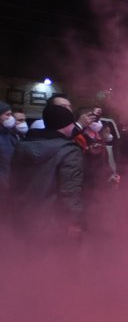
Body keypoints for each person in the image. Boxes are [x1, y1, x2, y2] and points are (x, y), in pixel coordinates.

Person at [9, 104, 86, 242]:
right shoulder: (69, 151)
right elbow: (70, 191)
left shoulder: (23, 145)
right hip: (54, 224)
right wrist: (75, 221)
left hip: (22, 219)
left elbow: (14, 183)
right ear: (67, 125)